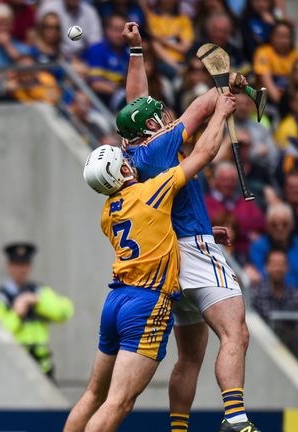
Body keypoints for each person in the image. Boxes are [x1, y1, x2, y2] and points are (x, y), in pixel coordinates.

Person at [119, 22, 260, 432]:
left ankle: (178, 428)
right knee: (235, 333)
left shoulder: (136, 152)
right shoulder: (162, 143)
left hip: (168, 257)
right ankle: (235, 419)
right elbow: (200, 116)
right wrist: (223, 95)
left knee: (190, 357)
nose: (166, 117)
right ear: (150, 126)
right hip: (195, 253)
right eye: (160, 116)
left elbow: (135, 103)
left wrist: (136, 53)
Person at [66, 90, 232, 431]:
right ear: (124, 169)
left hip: (115, 300)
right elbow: (204, 153)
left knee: (93, 394)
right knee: (119, 402)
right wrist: (221, 115)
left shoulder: (107, 213)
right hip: (146, 302)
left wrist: (203, 229)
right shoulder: (151, 190)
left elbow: (157, 230)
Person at [0, 242, 73, 377]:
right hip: (13, 365)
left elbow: (64, 312)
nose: (22, 269)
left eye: (25, 264)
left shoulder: (39, 291)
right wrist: (16, 314)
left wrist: (38, 302)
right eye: (17, 264)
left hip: (43, 367)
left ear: (30, 266)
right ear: (9, 266)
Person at [203, 161, 266, 259]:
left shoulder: (246, 203)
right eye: (224, 180)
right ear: (215, 180)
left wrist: (236, 226)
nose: (228, 184)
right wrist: (245, 231)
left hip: (244, 256)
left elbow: (260, 223)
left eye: (232, 180)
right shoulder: (205, 203)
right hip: (212, 254)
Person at [250, 250, 298, 356]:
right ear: (266, 267)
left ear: (287, 268)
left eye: (282, 265)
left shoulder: (295, 294)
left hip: (292, 346)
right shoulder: (256, 294)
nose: (278, 269)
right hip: (263, 345)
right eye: (274, 265)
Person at [247, 204, 298, 289]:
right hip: (266, 296)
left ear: (292, 225)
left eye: (285, 224)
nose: (280, 228)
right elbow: (258, 276)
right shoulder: (257, 248)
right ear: (268, 226)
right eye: (274, 224)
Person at [83, 13, 128, 107]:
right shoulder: (97, 49)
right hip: (99, 104)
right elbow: (95, 84)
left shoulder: (129, 52)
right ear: (107, 30)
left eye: (123, 30)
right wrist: (121, 92)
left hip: (123, 101)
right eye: (116, 30)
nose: (120, 34)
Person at [253, 20, 298, 105]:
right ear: (271, 36)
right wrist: (282, 105)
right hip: (267, 100)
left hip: (290, 100)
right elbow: (267, 82)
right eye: (279, 36)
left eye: (287, 37)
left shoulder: (294, 53)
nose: (283, 41)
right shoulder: (263, 52)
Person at [37, 0, 102, 58]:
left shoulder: (90, 12)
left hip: (84, 55)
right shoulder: (49, 8)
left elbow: (96, 41)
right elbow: (37, 34)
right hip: (57, 53)